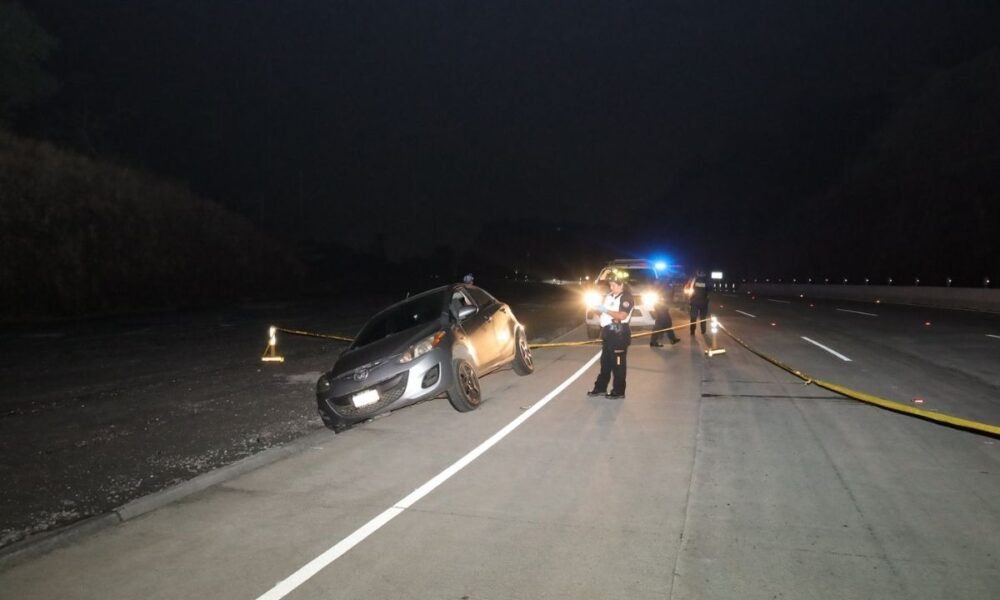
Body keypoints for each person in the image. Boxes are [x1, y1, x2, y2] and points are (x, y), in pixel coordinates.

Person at [587, 272, 634, 399]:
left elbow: (622, 315)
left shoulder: (626, 297)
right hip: (608, 332)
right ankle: (600, 388)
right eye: (610, 285)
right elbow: (604, 314)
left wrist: (606, 310)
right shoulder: (609, 296)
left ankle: (619, 391)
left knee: (618, 365)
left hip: (619, 333)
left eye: (614, 285)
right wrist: (596, 309)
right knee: (605, 363)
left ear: (621, 285)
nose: (611, 287)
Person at [649, 282, 680, 347]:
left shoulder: (662, 285)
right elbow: (667, 296)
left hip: (662, 306)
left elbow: (669, 296)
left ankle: (672, 339)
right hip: (660, 306)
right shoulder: (663, 286)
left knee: (667, 323)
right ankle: (653, 341)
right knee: (660, 324)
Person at [687, 268, 710, 336]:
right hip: (704, 302)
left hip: (694, 302)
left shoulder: (694, 279)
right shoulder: (706, 280)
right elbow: (710, 289)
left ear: (698, 273)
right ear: (704, 274)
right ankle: (703, 331)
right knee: (703, 318)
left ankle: (692, 331)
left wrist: (690, 298)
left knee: (693, 317)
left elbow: (688, 288)